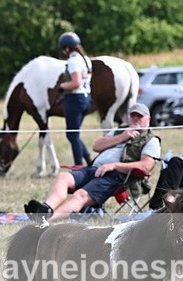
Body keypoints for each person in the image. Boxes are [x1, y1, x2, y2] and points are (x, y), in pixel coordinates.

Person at [25, 103, 161, 222]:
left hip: (116, 177)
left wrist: (113, 165)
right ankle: (46, 209)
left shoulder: (151, 140)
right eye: (133, 116)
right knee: (63, 177)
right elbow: (97, 146)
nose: (136, 119)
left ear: (148, 120)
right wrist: (122, 136)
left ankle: (47, 220)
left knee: (81, 195)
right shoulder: (121, 130)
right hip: (93, 169)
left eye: (140, 116)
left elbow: (145, 166)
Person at [58, 31, 93, 166]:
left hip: (75, 99)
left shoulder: (73, 61)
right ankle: (89, 160)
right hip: (86, 98)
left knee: (72, 134)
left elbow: (76, 82)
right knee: (74, 134)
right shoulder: (85, 59)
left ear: (67, 48)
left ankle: (78, 165)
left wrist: (62, 86)